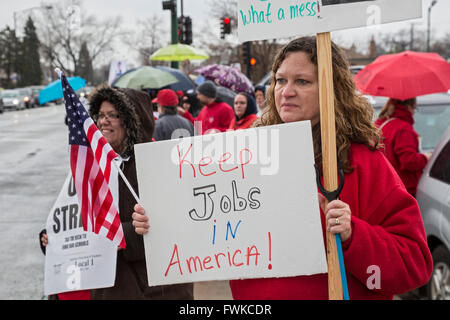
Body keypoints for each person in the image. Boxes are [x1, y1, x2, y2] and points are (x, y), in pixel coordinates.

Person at [132, 36, 433, 300]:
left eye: (302, 81)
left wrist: (354, 235)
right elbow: (205, 219)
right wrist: (159, 223)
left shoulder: (361, 161)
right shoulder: (243, 154)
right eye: (280, 80)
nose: (286, 91)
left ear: (332, 89)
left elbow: (414, 267)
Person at [42, 85, 193, 300]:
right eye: (101, 115)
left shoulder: (158, 165)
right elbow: (72, 215)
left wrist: (121, 235)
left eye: (113, 115)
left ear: (133, 121)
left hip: (155, 290)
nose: (103, 121)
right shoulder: (94, 165)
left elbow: (176, 229)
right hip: (108, 290)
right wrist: (53, 238)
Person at [375, 98, 430, 197]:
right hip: (404, 189)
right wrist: (426, 158)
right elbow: (409, 161)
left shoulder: (380, 123)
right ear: (409, 107)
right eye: (414, 109)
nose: (413, 113)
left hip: (383, 186)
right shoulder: (403, 128)